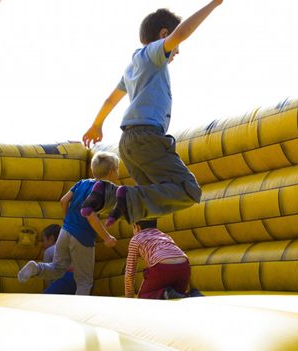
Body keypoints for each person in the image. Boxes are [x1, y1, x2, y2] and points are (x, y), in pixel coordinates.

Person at [81, 1, 224, 226]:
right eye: (175, 46)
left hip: (127, 143)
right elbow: (182, 33)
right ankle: (124, 197)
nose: (177, 52)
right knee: (188, 190)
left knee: (150, 202)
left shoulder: (132, 67)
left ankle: (109, 197)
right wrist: (213, 5)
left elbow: (111, 99)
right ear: (164, 34)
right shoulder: (153, 55)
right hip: (147, 137)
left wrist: (96, 125)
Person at [18, 151, 119, 295]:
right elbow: (90, 214)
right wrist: (107, 237)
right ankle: (81, 311)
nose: (118, 174)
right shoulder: (102, 190)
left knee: (57, 269)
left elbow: (63, 201)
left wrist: (68, 220)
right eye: (117, 170)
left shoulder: (82, 183)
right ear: (110, 172)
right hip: (82, 237)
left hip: (65, 231)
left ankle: (36, 268)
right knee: (84, 280)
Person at [124, 219, 203, 299]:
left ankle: (165, 293)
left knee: (144, 298)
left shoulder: (136, 238)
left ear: (136, 227)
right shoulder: (164, 236)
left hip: (162, 267)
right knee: (178, 294)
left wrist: (129, 298)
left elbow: (130, 272)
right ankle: (192, 294)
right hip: (184, 266)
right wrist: (192, 288)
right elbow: (182, 259)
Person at [40, 224, 77, 294]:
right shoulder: (70, 247)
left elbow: (47, 274)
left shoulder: (49, 251)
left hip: (65, 277)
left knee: (45, 298)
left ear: (51, 239)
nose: (42, 244)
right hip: (78, 278)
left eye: (43, 240)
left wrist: (48, 289)